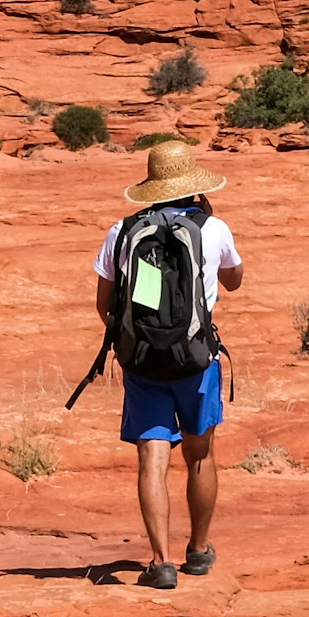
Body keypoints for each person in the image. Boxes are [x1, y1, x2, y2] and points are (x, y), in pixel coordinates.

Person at [87, 137, 244, 590]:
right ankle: (198, 550)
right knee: (200, 455)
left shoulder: (122, 232)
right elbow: (233, 282)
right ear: (193, 186)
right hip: (197, 361)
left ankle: (160, 562)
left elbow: (105, 304)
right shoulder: (213, 229)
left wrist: (136, 341)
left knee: (151, 459)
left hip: (142, 364)